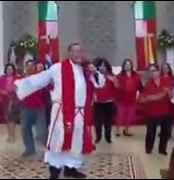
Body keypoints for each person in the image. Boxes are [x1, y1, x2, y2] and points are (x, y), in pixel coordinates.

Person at [14, 43, 105, 179]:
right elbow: (41, 79)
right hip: (62, 112)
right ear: (68, 53)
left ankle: (71, 168)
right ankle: (54, 171)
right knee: (59, 141)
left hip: (80, 114)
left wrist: (95, 72)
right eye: (74, 51)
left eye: (80, 51)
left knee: (76, 141)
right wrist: (21, 86)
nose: (78, 54)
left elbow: (100, 83)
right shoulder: (58, 68)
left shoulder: (86, 70)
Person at [139, 64, 172, 155]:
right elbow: (143, 99)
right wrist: (157, 96)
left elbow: (172, 95)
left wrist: (169, 93)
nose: (152, 73)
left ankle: (162, 149)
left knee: (165, 132)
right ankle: (149, 148)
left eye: (154, 71)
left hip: (165, 111)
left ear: (158, 71)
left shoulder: (166, 80)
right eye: (150, 71)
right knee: (150, 132)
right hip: (152, 113)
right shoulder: (148, 84)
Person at [18, 60, 47, 158]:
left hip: (39, 108)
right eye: (28, 66)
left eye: (32, 66)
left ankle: (45, 149)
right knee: (25, 129)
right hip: (25, 108)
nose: (30, 68)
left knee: (41, 131)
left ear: (34, 67)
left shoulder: (39, 78)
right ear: (25, 67)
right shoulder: (21, 79)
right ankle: (30, 149)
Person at [93, 58, 117, 144]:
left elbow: (117, 86)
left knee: (108, 122)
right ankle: (98, 137)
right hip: (98, 103)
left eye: (104, 66)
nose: (102, 67)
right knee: (97, 122)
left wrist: (112, 80)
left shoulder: (111, 75)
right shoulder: (94, 76)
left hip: (109, 103)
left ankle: (108, 137)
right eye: (100, 66)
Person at [115, 59, 142, 136]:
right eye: (126, 65)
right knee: (120, 114)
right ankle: (117, 130)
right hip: (121, 98)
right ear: (123, 66)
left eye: (129, 65)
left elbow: (139, 86)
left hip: (132, 98)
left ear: (131, 66)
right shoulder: (119, 76)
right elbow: (116, 86)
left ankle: (126, 130)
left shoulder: (136, 75)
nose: (127, 66)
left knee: (130, 115)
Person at [0, 63, 20, 143]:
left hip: (14, 101)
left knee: (12, 119)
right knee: (7, 119)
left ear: (13, 70)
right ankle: (9, 134)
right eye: (8, 69)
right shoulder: (1, 79)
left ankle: (12, 135)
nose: (9, 70)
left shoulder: (17, 78)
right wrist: (5, 92)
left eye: (11, 69)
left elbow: (18, 89)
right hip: (5, 101)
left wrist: (13, 90)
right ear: (5, 70)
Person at [158, 63, 174, 138]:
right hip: (161, 101)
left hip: (170, 100)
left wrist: (170, 91)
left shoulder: (173, 79)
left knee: (170, 117)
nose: (165, 69)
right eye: (163, 68)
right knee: (162, 117)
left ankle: (169, 132)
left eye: (166, 68)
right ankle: (162, 131)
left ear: (169, 69)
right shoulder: (159, 79)